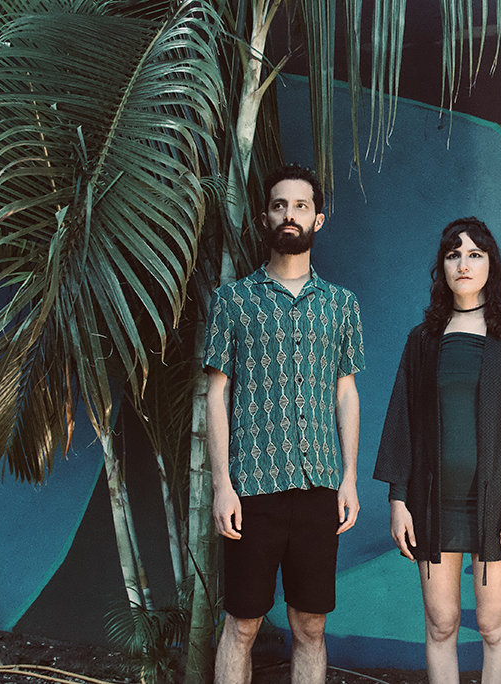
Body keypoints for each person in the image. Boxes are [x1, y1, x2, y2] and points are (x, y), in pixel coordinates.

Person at [374, 217, 501, 684]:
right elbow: (403, 420)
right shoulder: (423, 340)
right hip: (433, 504)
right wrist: (398, 500)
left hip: (497, 506)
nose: (464, 263)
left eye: (475, 254)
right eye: (454, 254)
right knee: (442, 623)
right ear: (442, 268)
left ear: (491, 264)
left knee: (493, 626)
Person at [204, 164, 364, 684]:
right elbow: (217, 394)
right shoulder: (233, 301)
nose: (289, 214)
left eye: (300, 206)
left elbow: (346, 393)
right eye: (279, 205)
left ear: (319, 219)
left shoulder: (341, 305)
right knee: (242, 624)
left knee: (311, 626)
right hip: (251, 490)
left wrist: (350, 478)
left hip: (319, 487)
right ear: (264, 217)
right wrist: (222, 485)